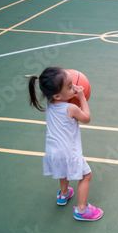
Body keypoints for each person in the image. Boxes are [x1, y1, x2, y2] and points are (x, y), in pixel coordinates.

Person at [28, 67, 103, 221]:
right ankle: (82, 210)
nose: (74, 87)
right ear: (57, 94)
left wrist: (69, 90)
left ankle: (63, 194)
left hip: (53, 152)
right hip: (69, 152)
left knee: (63, 171)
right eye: (70, 86)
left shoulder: (50, 103)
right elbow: (87, 118)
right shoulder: (72, 108)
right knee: (86, 175)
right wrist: (82, 97)